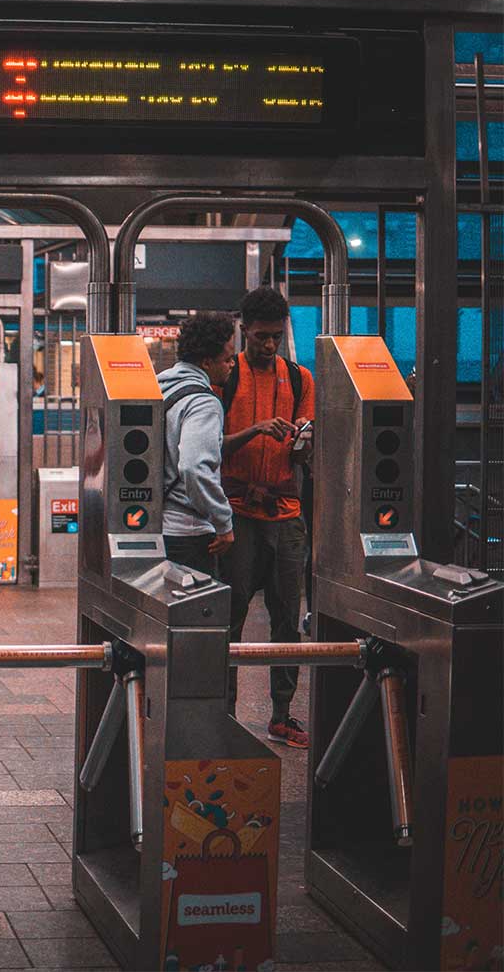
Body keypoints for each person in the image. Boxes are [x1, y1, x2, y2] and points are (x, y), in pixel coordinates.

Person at [220, 287, 315, 749]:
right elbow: (209, 445)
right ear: (244, 330)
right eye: (261, 336)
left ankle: (282, 714)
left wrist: (303, 443)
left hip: (285, 511)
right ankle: (224, 711)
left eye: (276, 336)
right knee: (230, 615)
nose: (269, 345)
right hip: (237, 512)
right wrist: (254, 433)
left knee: (286, 617)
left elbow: (308, 445)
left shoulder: (299, 380)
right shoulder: (226, 377)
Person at [157, 312, 238, 577]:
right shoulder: (203, 402)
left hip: (158, 526)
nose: (232, 365)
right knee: (196, 614)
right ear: (206, 362)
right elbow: (194, 467)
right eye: (227, 359)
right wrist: (223, 522)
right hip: (189, 533)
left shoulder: (161, 387)